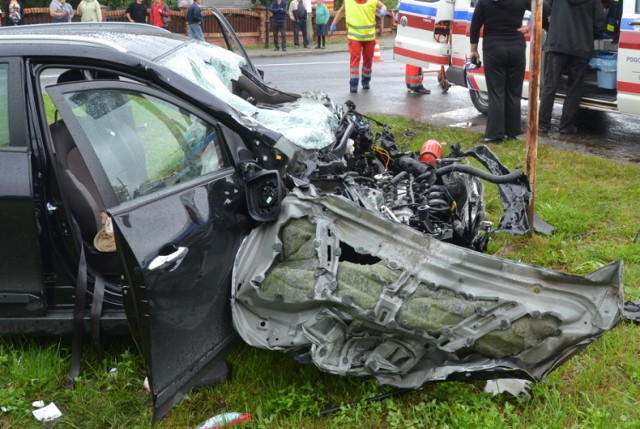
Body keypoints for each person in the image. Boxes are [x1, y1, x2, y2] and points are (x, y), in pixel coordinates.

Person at [469, 0, 537, 143]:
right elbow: (545, 9)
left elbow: (475, 26)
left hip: (493, 49)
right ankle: (512, 132)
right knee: (514, 92)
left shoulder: (484, 2)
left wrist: (473, 50)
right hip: (516, 49)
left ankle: (494, 135)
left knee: (496, 93)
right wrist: (531, 26)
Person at [538, 0, 605, 134]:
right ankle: (566, 126)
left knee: (550, 85)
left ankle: (542, 124)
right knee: (574, 87)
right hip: (581, 47)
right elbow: (599, 24)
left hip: (557, 43)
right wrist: (589, 35)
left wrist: (549, 27)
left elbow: (541, 9)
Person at [330, 0, 387, 93]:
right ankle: (353, 83)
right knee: (355, 58)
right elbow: (341, 11)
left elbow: (383, 6)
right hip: (354, 36)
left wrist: (383, 10)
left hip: (369, 36)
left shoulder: (373, 1)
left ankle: (366, 81)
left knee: (368, 59)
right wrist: (334, 23)